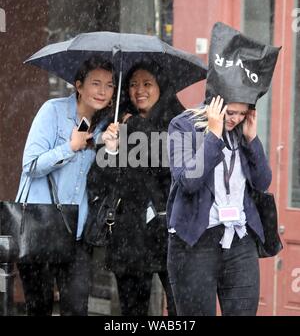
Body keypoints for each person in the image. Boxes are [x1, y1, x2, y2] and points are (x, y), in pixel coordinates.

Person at [166, 21, 281, 316]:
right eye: (230, 112)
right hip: (194, 242)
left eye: (242, 114)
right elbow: (188, 182)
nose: (234, 119)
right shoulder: (182, 126)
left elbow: (262, 181)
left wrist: (252, 139)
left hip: (239, 239)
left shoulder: (242, 131)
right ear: (215, 103)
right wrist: (214, 136)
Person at [16, 56, 115, 316]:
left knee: (76, 308)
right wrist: (70, 147)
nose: (103, 91)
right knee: (39, 309)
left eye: (109, 85)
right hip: (40, 229)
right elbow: (31, 165)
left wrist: (113, 150)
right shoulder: (53, 111)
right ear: (79, 86)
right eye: (96, 83)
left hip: (77, 234)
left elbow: (104, 181)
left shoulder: (106, 126)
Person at [87, 62, 183, 316]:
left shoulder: (180, 122)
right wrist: (110, 148)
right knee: (132, 312)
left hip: (172, 233)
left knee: (181, 308)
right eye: (132, 84)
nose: (139, 90)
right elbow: (98, 182)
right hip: (130, 237)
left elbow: (169, 170)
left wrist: (138, 128)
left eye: (147, 83)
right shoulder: (116, 125)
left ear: (161, 87)